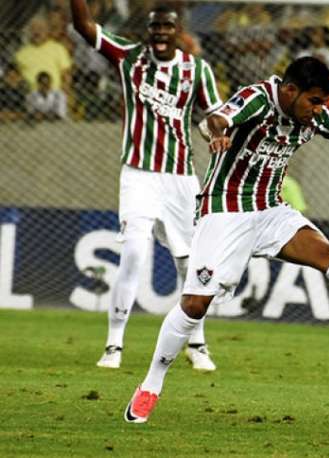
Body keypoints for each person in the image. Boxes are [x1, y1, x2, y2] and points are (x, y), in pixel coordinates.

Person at [122, 56, 329, 424]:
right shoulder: (258, 99)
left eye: (323, 102)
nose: (319, 109)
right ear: (291, 91)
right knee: (194, 305)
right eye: (314, 101)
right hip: (225, 209)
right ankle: (151, 384)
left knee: (326, 253)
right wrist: (219, 133)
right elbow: (217, 119)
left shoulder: (314, 115)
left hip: (271, 209)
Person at [71, 0, 222, 371]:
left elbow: (215, 114)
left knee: (191, 266)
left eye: (167, 27)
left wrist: (215, 132)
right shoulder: (129, 57)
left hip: (180, 180)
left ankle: (197, 344)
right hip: (138, 174)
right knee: (135, 253)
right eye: (155, 27)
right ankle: (113, 346)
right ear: (148, 30)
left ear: (179, 31)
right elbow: (84, 26)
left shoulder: (196, 70)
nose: (160, 34)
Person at [14, 15, 72, 93]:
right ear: (29, 32)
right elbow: (16, 77)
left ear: (47, 30)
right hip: (32, 95)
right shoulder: (20, 54)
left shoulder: (58, 48)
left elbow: (66, 73)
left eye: (40, 28)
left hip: (55, 93)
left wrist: (65, 91)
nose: (36, 32)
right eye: (33, 29)